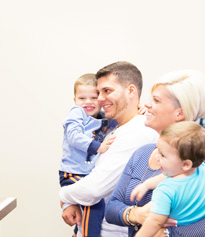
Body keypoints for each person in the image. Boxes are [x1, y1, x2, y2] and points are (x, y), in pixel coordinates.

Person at [60, 61, 158, 237]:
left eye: (107, 91)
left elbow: (93, 190)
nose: (99, 99)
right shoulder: (110, 128)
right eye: (99, 92)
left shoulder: (138, 133)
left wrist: (64, 196)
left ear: (131, 91)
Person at [105, 69, 205, 237]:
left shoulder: (198, 165)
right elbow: (111, 209)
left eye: (156, 100)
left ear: (179, 113)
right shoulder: (142, 153)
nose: (146, 104)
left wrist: (164, 233)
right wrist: (137, 214)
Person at [59, 73, 117, 237]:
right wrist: (98, 147)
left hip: (88, 173)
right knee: (94, 202)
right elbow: (74, 136)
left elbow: (124, 118)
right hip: (74, 172)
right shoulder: (77, 113)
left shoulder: (104, 118)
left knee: (89, 207)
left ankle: (79, 231)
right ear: (75, 100)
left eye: (93, 97)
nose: (88, 102)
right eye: (82, 98)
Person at [133, 121, 205, 237]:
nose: (156, 157)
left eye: (162, 155)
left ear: (186, 164)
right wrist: (146, 185)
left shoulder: (165, 190)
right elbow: (169, 176)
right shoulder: (200, 169)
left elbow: (155, 221)